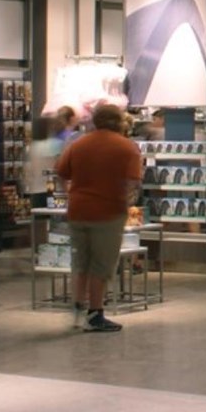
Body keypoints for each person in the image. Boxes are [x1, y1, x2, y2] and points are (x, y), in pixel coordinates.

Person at [55, 104, 143, 332]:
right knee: (101, 265)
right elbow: (133, 181)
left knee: (80, 263)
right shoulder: (127, 148)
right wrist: (125, 200)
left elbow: (61, 173)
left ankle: (77, 309)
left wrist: (69, 196)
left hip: (78, 211)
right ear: (120, 121)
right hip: (108, 212)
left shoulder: (78, 144)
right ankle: (95, 314)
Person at [23, 117, 63, 209]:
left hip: (34, 191)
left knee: (38, 218)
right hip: (53, 190)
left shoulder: (30, 148)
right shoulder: (56, 144)